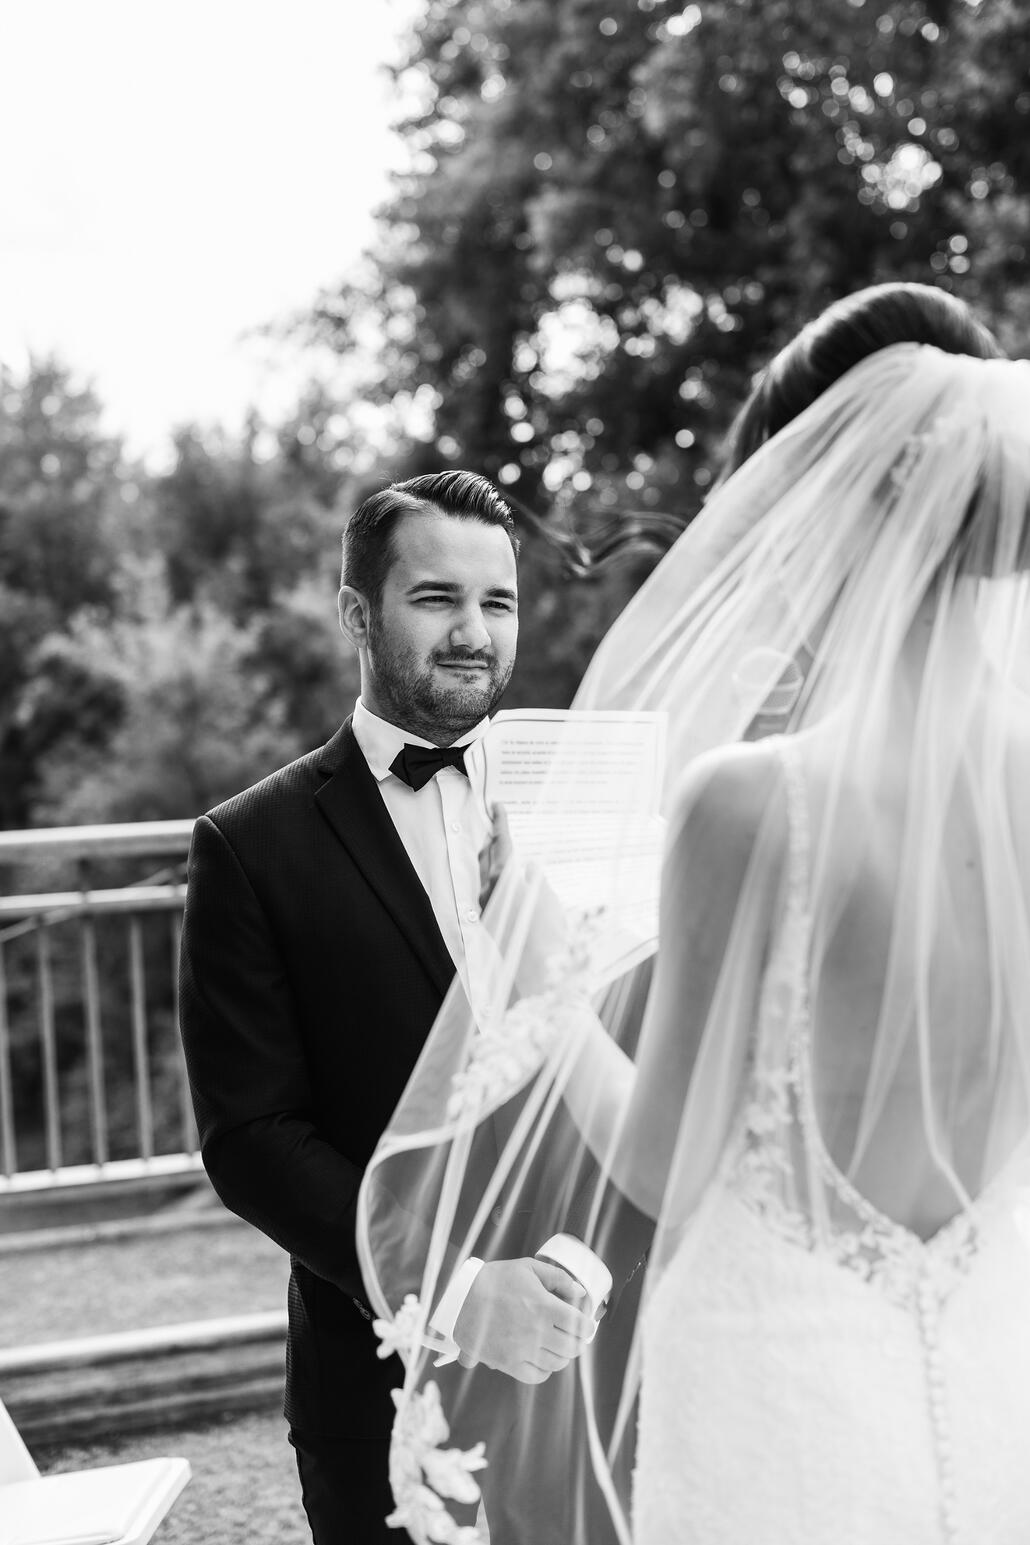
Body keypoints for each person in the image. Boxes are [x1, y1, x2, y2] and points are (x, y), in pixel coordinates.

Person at [359, 286, 1030, 1544]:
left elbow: (667, 1162)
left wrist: (530, 944)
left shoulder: (755, 802)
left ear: (831, 502)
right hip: (999, 1385)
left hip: (780, 1401)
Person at [177, 469, 598, 1545]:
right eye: (435, 598)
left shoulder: (585, 801)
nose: (472, 632)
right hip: (385, 1391)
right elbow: (254, 1140)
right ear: (358, 612)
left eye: (495, 602)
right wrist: (455, 1298)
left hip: (602, 1356)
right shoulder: (250, 846)